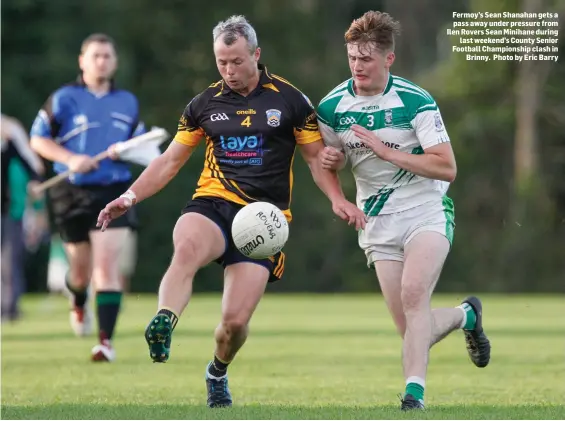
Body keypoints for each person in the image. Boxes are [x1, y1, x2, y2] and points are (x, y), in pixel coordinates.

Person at [97, 15, 365, 407]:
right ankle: (165, 321)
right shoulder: (204, 104)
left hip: (264, 221)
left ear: (256, 54)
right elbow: (170, 161)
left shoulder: (290, 100)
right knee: (186, 249)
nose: (229, 70)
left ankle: (217, 371)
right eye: (221, 62)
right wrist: (130, 196)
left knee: (234, 325)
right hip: (212, 204)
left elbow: (313, 159)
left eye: (237, 61)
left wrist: (338, 199)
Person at [317, 11, 491, 410]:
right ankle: (467, 316)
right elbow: (328, 161)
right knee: (415, 328)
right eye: (352, 58)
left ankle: (413, 396)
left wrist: (386, 151)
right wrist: (334, 173)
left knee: (415, 298)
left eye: (366, 59)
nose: (357, 67)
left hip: (425, 210)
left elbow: (447, 167)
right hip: (377, 221)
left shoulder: (415, 101)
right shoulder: (332, 107)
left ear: (388, 59)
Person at [30, 33, 146, 362]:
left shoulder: (128, 102)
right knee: (80, 274)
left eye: (108, 56)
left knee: (106, 268)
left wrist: (133, 151)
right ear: (82, 60)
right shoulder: (63, 98)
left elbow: (141, 144)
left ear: (115, 61)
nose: (102, 61)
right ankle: (78, 301)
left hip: (114, 188)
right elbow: (38, 140)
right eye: (95, 56)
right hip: (71, 191)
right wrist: (69, 159)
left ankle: (105, 343)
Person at [1, 114, 45, 321]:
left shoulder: (7, 141)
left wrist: (35, 180)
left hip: (8, 211)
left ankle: (9, 309)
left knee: (9, 262)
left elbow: (29, 164)